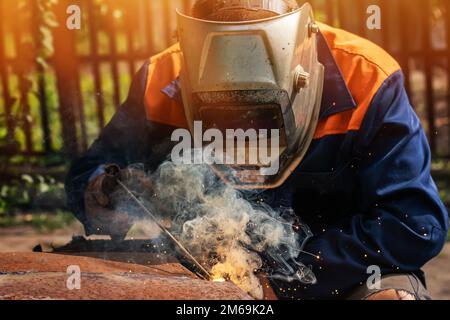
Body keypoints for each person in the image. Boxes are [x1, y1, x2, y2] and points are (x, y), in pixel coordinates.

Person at [65, 0, 448, 300]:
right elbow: (91, 172)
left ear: (299, 73)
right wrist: (106, 191)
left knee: (391, 298)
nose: (244, 132)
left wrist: (285, 282)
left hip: (340, 278)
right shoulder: (160, 80)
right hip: (203, 276)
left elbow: (412, 223)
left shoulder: (366, 79)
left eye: (258, 113)